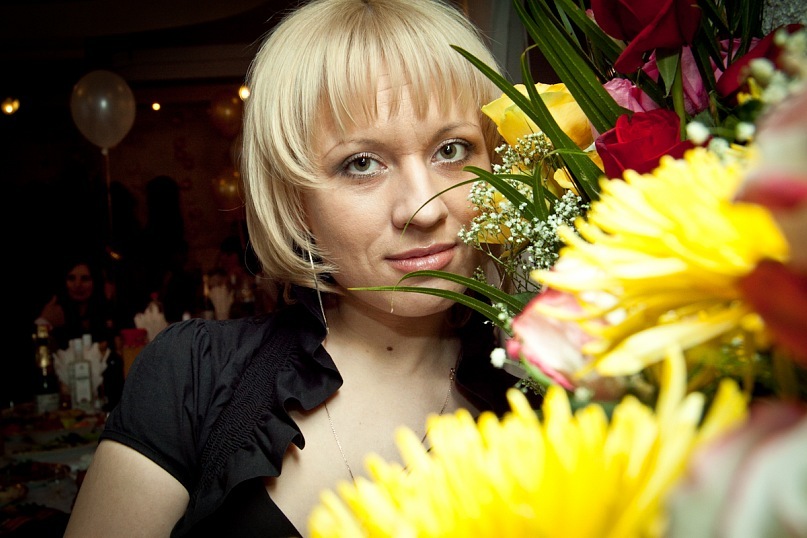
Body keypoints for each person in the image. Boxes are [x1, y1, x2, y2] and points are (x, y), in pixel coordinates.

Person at [65, 1, 526, 536]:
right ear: (295, 200)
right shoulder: (191, 378)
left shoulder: (554, 397)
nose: (424, 209)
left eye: (451, 149)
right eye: (362, 163)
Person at [34, 255, 115, 350]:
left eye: (85, 279)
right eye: (71, 278)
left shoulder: (106, 313)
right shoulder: (55, 313)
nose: (77, 285)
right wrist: (44, 321)